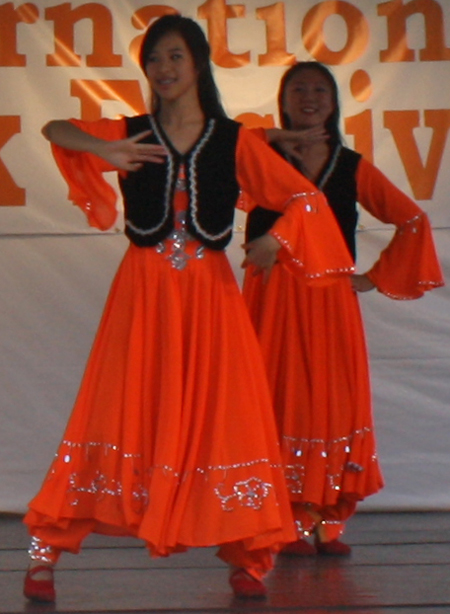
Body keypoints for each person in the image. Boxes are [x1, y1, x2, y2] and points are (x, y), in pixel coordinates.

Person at [22, 20, 354, 602]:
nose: (164, 69)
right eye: (153, 60)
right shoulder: (133, 130)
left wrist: (278, 240)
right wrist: (104, 149)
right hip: (143, 292)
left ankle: (250, 555)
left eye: (174, 57)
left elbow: (303, 198)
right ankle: (47, 549)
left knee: (227, 413)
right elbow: (55, 127)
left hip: (209, 296)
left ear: (198, 63)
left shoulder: (234, 141)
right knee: (114, 409)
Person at [244, 61, 444, 556]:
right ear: (282, 100)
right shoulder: (259, 153)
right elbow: (223, 142)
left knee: (329, 402)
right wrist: (274, 134)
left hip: (329, 301)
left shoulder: (350, 166)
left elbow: (411, 219)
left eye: (318, 90)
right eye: (297, 89)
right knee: (274, 398)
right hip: (272, 296)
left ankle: (326, 516)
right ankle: (283, 519)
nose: (308, 97)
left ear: (334, 103)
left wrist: (373, 278)